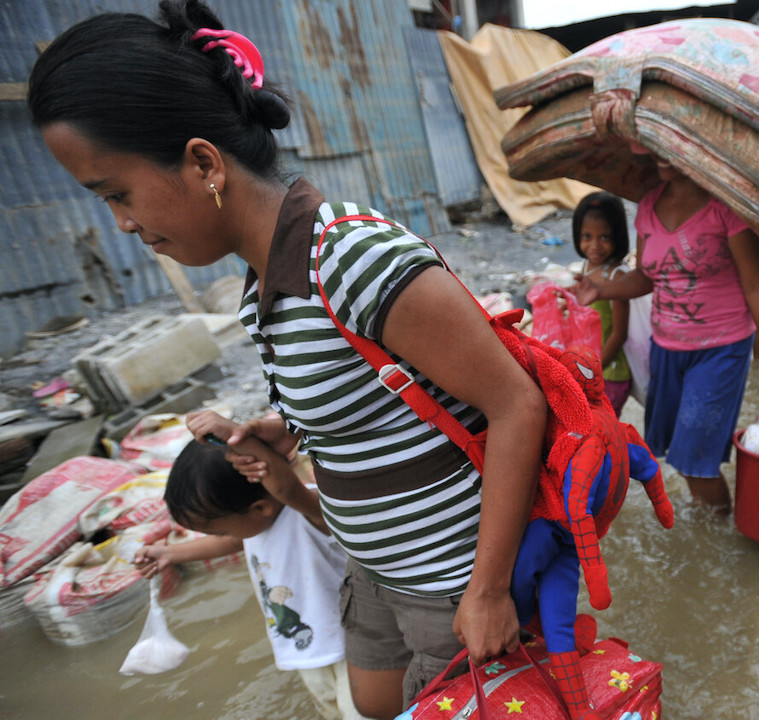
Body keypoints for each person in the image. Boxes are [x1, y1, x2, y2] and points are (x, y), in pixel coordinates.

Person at [28, 3, 546, 717]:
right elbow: (374, 393)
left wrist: (488, 591)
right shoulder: (263, 286)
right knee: (370, 706)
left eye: (118, 194)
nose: (122, 223)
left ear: (204, 163)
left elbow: (517, 403)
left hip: (450, 577)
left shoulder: (351, 258)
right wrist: (293, 428)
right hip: (373, 568)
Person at [571, 147, 759, 514]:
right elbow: (646, 277)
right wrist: (601, 290)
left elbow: (757, 286)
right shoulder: (649, 205)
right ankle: (703, 526)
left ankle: (718, 541)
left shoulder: (728, 206)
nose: (662, 156)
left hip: (722, 348)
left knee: (696, 462)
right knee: (673, 450)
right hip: (667, 348)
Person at [135, 411, 369, 720]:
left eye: (223, 528)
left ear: (260, 506)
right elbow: (232, 542)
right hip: (305, 653)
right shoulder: (256, 526)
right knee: (330, 711)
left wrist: (239, 438)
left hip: (350, 647)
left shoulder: (310, 511)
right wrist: (170, 555)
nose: (226, 537)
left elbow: (287, 489)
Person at [571, 192, 631, 416]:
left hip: (610, 374)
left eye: (604, 237)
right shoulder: (586, 268)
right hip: (590, 369)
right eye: (587, 236)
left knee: (603, 433)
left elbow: (619, 334)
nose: (595, 245)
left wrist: (594, 370)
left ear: (618, 237)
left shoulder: (617, 277)